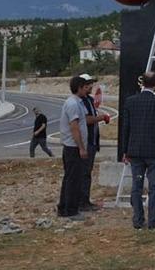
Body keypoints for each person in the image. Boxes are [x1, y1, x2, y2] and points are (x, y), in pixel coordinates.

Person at [120, 71, 155, 230]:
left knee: (137, 185)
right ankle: (153, 220)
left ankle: (138, 219)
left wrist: (124, 150)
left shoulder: (130, 101)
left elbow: (126, 128)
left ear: (142, 82)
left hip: (135, 151)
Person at [56, 75, 89, 220]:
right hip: (72, 147)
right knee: (73, 179)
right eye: (85, 87)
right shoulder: (73, 104)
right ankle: (70, 210)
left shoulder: (78, 102)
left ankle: (64, 207)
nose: (87, 89)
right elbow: (74, 127)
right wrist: (81, 147)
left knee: (71, 177)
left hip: (73, 147)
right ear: (79, 88)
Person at [77, 73, 110, 212]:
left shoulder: (89, 100)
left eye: (91, 83)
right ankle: (81, 202)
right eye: (88, 84)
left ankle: (85, 200)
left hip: (92, 142)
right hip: (86, 142)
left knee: (87, 172)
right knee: (83, 173)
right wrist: (101, 117)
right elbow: (86, 120)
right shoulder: (80, 102)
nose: (91, 86)